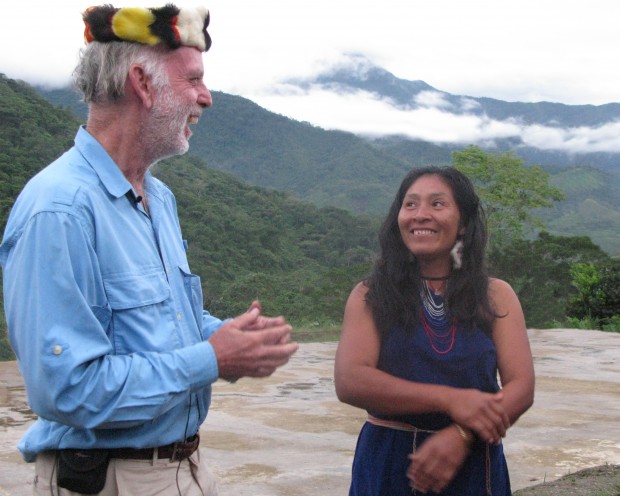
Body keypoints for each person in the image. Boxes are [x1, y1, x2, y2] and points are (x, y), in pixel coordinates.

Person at [0, 4, 298, 495]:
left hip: (181, 468)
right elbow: (66, 390)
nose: (206, 97)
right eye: (194, 81)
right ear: (141, 83)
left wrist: (228, 337)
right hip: (109, 478)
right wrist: (212, 359)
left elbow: (164, 325)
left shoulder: (158, 198)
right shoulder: (59, 209)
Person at [334, 166, 535, 495]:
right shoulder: (369, 295)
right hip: (388, 463)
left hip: (471, 464)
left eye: (437, 204)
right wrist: (451, 400)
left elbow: (521, 387)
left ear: (464, 223)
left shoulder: (496, 295)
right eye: (410, 204)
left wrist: (462, 435)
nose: (420, 215)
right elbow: (351, 381)